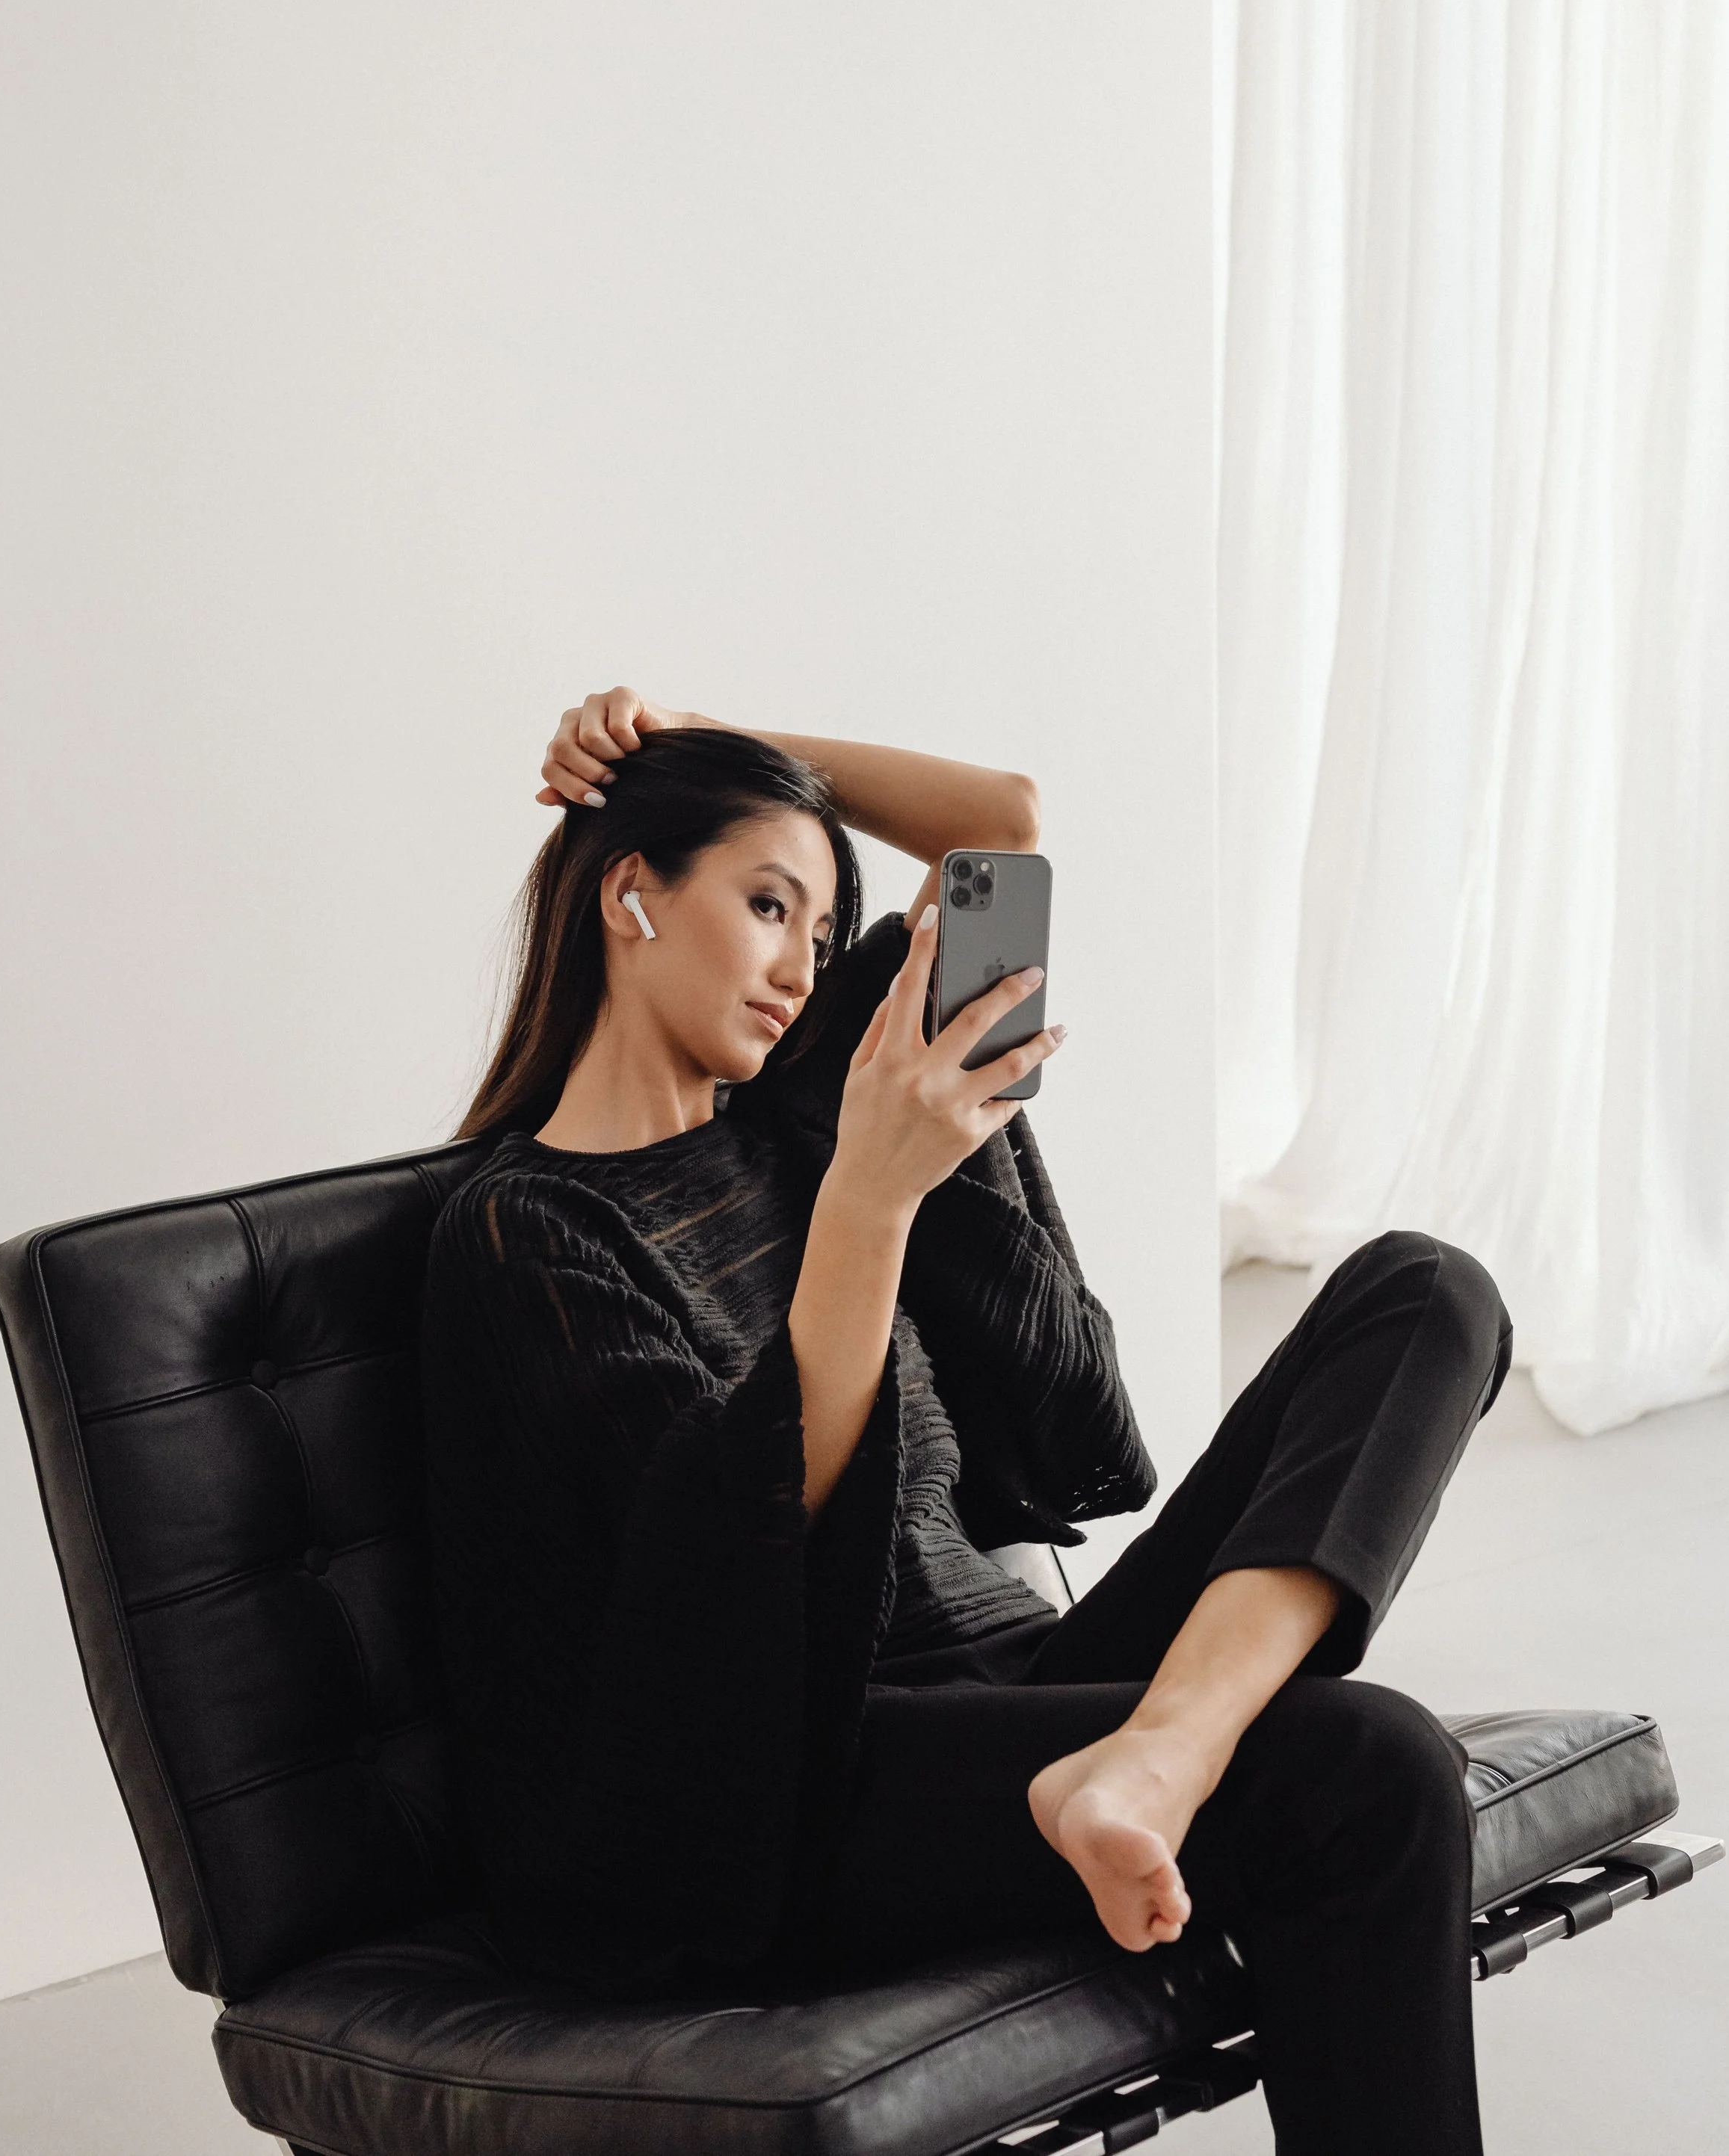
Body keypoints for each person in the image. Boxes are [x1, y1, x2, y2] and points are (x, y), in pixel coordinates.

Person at [422, 693, 1511, 2156]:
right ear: (631, 892)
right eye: (765, 906)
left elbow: (998, 833)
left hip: (1020, 1687)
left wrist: (697, 731)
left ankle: (1161, 1750)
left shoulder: (810, 1097)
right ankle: (1161, 1754)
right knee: (1361, 1765)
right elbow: (736, 1568)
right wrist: (869, 1202)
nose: (800, 969)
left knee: (1425, 1290)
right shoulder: (522, 1231)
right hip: (804, 1786)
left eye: (821, 932)